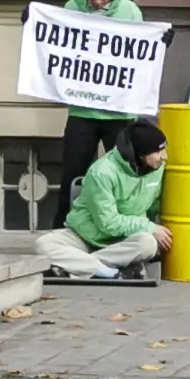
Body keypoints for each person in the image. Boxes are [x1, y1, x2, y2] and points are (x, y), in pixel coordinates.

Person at [48, 0, 151, 190]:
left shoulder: (130, 11)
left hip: (119, 111)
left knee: (125, 175)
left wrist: (159, 43)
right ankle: (67, 223)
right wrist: (33, 21)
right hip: (82, 109)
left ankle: (123, 223)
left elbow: (142, 53)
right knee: (73, 174)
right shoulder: (71, 9)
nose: (96, 1)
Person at [45, 115, 168, 280]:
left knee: (148, 244)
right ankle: (109, 269)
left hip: (124, 241)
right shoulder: (102, 172)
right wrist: (150, 227)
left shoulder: (158, 168)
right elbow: (107, 223)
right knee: (44, 245)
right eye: (159, 151)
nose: (164, 156)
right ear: (140, 154)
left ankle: (80, 269)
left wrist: (153, 229)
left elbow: (157, 206)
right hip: (85, 236)